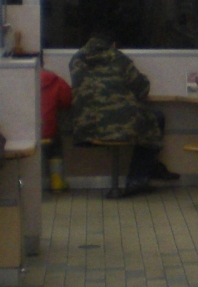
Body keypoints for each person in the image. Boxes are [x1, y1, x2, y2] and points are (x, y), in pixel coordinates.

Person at [70, 32, 179, 197]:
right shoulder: (118, 57)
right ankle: (138, 179)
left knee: (145, 121)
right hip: (120, 125)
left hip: (86, 126)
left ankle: (151, 168)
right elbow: (142, 89)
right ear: (113, 44)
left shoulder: (76, 59)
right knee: (156, 118)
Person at [40, 63, 72, 192]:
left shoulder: (19, 80)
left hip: (26, 133)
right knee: (55, 145)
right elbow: (67, 100)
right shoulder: (55, 80)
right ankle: (57, 182)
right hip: (48, 132)